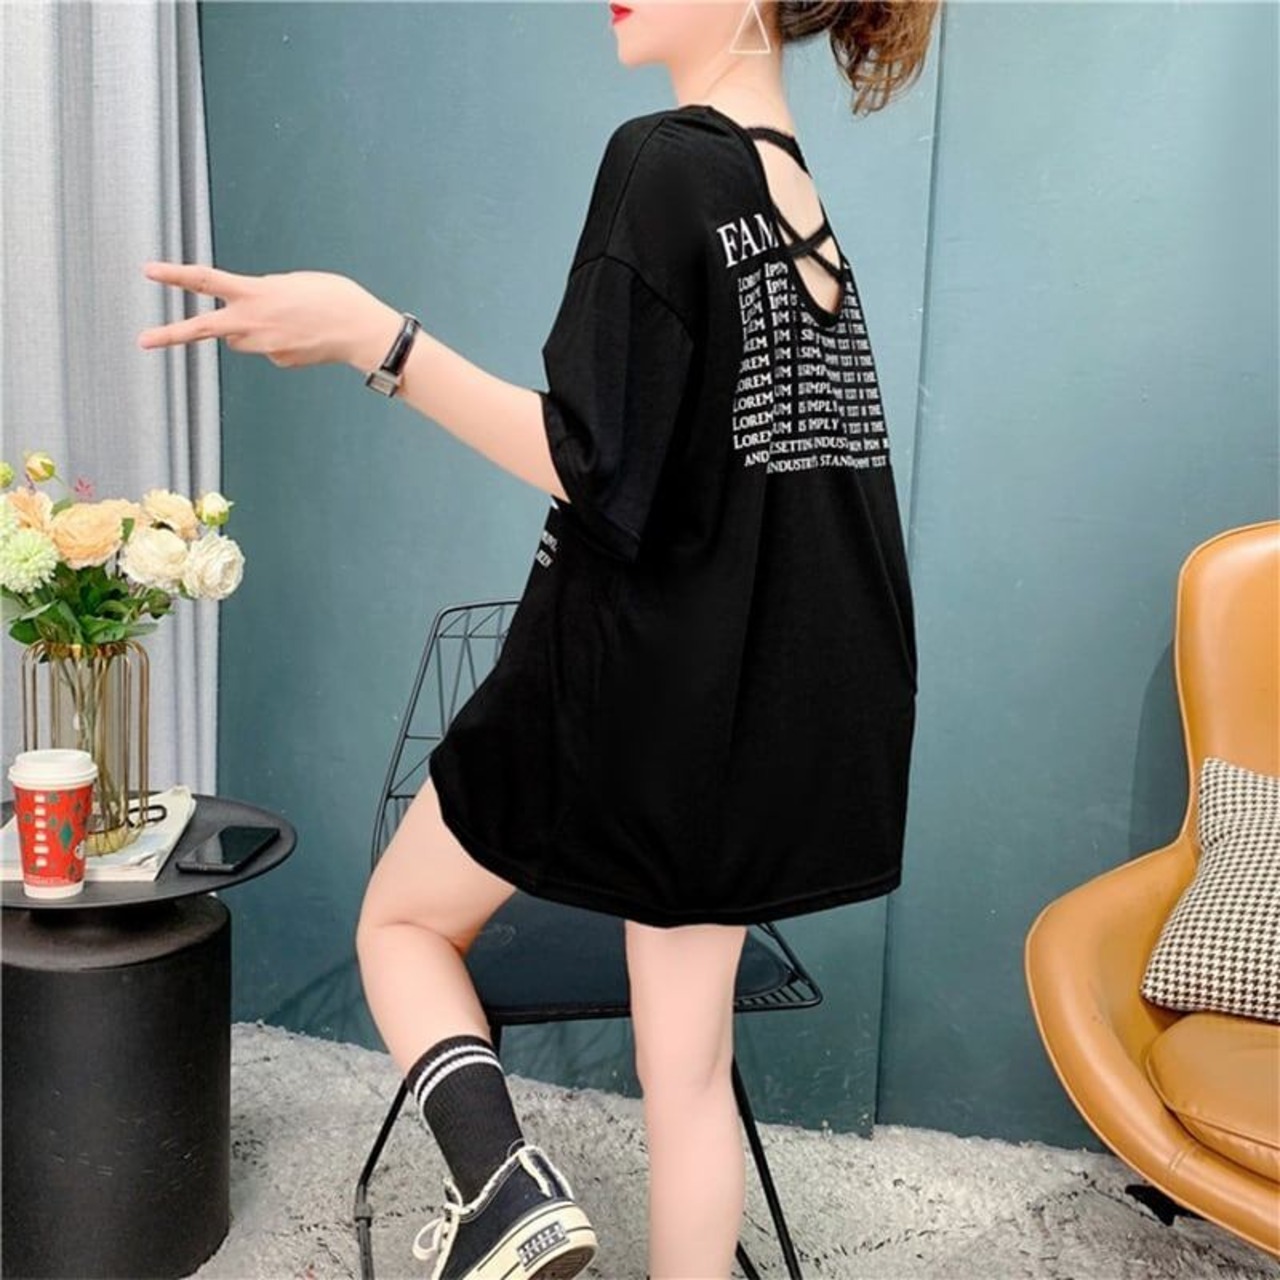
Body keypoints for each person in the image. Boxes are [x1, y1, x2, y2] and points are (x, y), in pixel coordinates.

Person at [137, 2, 941, 1276]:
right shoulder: (796, 206)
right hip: (747, 718)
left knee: (402, 924)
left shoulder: (663, 159)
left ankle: (503, 1186)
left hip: (618, 689)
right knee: (689, 1071)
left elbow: (588, 459)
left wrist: (374, 337)